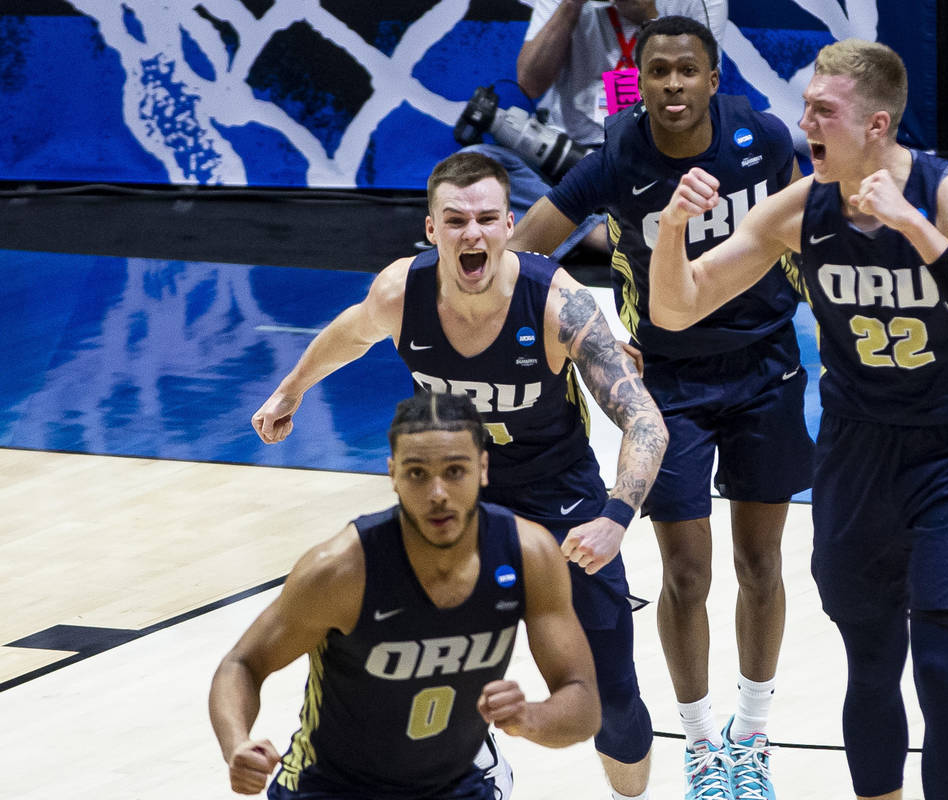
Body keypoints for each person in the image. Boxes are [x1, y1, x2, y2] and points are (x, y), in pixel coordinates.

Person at [648, 38, 948, 800]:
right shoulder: (802, 207)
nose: (803, 122)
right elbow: (676, 306)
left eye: (823, 110)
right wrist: (670, 232)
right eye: (806, 106)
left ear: (877, 125)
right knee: (873, 656)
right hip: (857, 447)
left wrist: (916, 229)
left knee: (943, 663)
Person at [251, 151, 669, 800]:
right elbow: (353, 331)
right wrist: (291, 389)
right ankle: (470, 762)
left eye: (484, 219)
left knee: (611, 695)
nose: (470, 233)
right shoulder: (401, 293)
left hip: (561, 502)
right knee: (411, 660)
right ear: (431, 229)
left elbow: (645, 422)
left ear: (509, 226)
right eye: (455, 220)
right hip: (452, 506)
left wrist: (615, 517)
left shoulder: (558, 304)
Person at [509, 16, 812, 800]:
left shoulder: (764, 140)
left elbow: (806, 236)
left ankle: (753, 732)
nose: (672, 84)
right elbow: (526, 253)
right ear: (637, 81)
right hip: (669, 384)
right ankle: (703, 745)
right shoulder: (616, 156)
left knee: (759, 563)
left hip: (764, 367)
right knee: (685, 571)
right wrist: (602, 339)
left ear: (714, 80)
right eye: (658, 72)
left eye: (687, 71)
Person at [209, 393, 602, 798]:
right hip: (330, 788)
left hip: (452, 785)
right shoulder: (341, 570)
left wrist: (530, 718)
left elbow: (583, 700)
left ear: (483, 468)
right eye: (417, 473)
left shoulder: (527, 555)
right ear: (392, 473)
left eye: (455, 471)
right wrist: (237, 745)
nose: (437, 493)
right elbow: (242, 663)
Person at [461, 0, 726, 260]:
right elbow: (529, 83)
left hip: (652, 151)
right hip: (568, 156)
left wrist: (650, 17)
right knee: (473, 166)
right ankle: (602, 236)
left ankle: (561, 226)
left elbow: (700, 92)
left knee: (709, 178)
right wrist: (570, 6)